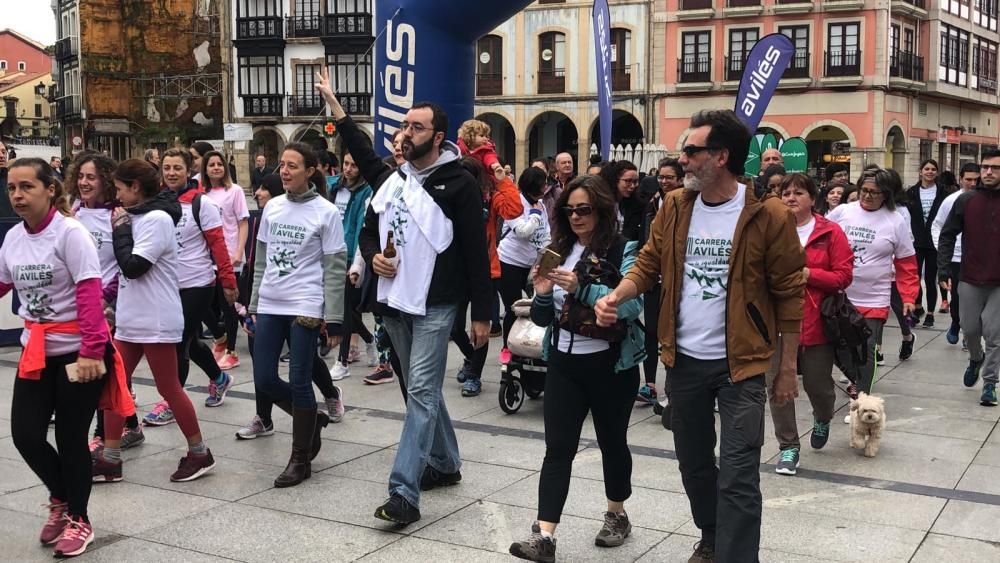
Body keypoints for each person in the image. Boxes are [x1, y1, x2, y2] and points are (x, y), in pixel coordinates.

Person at [594, 110, 806, 562]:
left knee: (739, 471)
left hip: (743, 366)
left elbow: (790, 296)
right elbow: (649, 263)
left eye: (691, 151)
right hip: (683, 361)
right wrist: (618, 294)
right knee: (693, 465)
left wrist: (786, 370)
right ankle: (711, 536)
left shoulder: (768, 216)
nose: (682, 160)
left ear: (721, 157)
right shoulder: (675, 206)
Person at [349, 96, 492, 523]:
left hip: (436, 302)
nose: (405, 133)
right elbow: (369, 232)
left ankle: (403, 493)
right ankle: (445, 465)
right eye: (404, 126)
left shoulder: (459, 182)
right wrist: (373, 257)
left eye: (416, 127)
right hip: (393, 301)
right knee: (419, 389)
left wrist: (483, 312)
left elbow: (474, 251)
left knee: (423, 391)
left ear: (438, 137)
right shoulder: (394, 180)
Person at [508, 175, 645, 562]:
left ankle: (617, 514)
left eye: (583, 209)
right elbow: (541, 316)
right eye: (568, 210)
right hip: (564, 363)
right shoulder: (557, 251)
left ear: (601, 210)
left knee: (612, 442)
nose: (575, 217)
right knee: (558, 449)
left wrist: (581, 287)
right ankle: (544, 536)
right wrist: (542, 291)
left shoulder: (624, 249)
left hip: (609, 364)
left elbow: (632, 306)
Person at [2, 158, 131, 558]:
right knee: (24, 434)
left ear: (50, 189)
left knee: (70, 439)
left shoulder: (70, 234)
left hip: (78, 352)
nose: (18, 196)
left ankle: (79, 519)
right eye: (12, 188)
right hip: (35, 351)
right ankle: (60, 497)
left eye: (26, 187)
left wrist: (93, 350)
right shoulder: (13, 239)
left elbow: (89, 294)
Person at [92, 158, 214, 486]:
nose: (117, 196)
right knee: (115, 385)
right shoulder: (136, 216)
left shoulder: (158, 219)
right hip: (133, 316)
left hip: (157, 316)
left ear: (135, 187)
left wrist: (119, 231)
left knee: (168, 387)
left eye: (120, 189)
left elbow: (133, 265)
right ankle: (110, 458)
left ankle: (199, 452)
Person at [248, 142, 346, 486]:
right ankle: (312, 418)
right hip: (271, 302)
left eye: (292, 166)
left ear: (311, 170)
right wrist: (254, 304)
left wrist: (334, 318)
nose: (284, 172)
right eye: (282, 165)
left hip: (305, 303)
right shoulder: (272, 208)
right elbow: (260, 261)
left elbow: (335, 268)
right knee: (264, 379)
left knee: (302, 379)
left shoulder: (326, 212)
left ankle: (300, 458)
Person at [142, 148, 237, 427]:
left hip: (197, 284)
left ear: (188, 171)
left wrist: (228, 282)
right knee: (190, 343)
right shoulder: (155, 202)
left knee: (176, 344)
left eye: (177, 168)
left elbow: (219, 245)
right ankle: (220, 378)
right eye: (167, 168)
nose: (171, 173)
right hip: (165, 285)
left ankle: (171, 401)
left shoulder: (201, 204)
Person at [769, 173, 854, 475]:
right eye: (785, 193)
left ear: (813, 198)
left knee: (818, 385)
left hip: (817, 322)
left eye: (798, 193)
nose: (791, 198)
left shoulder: (831, 232)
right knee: (777, 385)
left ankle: (823, 416)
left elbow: (843, 277)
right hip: (776, 323)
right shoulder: (772, 230)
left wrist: (810, 274)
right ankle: (789, 447)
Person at [66, 154, 146, 453]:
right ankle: (131, 424)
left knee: (103, 371)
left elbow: (126, 261)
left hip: (109, 306)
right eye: (81, 177)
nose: (84, 183)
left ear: (105, 181)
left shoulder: (118, 215)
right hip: (77, 306)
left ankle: (103, 432)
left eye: (92, 177)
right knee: (102, 371)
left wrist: (105, 296)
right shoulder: (72, 212)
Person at [828, 168, 919, 401]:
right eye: (864, 191)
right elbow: (820, 239)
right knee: (840, 348)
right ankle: (854, 379)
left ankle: (862, 397)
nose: (867, 196)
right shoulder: (843, 212)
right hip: (840, 294)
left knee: (866, 351)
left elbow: (906, 263)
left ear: (886, 195)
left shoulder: (896, 221)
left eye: (874, 193)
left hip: (874, 297)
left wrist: (909, 297)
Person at [451, 156, 523, 396]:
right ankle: (472, 359)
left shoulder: (490, 198)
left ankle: (474, 375)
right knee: (454, 328)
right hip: (456, 272)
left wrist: (503, 181)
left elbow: (514, 209)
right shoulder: (450, 199)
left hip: (487, 270)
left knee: (480, 325)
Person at [938, 149, 1000, 406]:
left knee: (994, 334)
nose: (987, 172)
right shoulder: (965, 201)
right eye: (985, 167)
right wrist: (943, 268)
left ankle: (989, 383)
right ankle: (975, 358)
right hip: (970, 277)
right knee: (971, 329)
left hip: (999, 283)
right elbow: (947, 235)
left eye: (994, 168)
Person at [636, 158, 684, 407]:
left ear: (680, 179)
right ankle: (651, 384)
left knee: (673, 333)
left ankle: (674, 388)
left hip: (678, 279)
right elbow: (648, 240)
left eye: (670, 177)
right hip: (655, 279)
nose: (665, 182)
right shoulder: (653, 204)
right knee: (651, 331)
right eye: (662, 177)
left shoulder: (688, 204)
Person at [327, 151, 376, 380]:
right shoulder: (335, 187)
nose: (348, 169)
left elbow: (360, 228)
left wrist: (358, 264)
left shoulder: (366, 192)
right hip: (331, 254)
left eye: (354, 165)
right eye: (346, 163)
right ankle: (368, 339)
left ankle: (342, 360)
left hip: (349, 257)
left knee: (347, 311)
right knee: (348, 311)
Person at [203, 150, 250, 370]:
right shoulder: (202, 194)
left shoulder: (235, 191)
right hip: (205, 258)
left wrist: (239, 251)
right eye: (211, 164)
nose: (215, 168)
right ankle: (219, 337)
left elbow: (243, 223)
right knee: (204, 305)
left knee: (229, 305)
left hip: (230, 255)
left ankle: (231, 350)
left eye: (219, 164)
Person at [498, 167, 551, 352]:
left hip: (532, 264)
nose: (546, 187)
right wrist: (535, 217)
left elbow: (546, 234)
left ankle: (532, 344)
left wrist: (548, 255)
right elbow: (522, 231)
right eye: (543, 184)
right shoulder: (515, 202)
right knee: (513, 308)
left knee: (537, 306)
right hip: (509, 262)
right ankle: (507, 349)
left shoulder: (540, 204)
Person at [932, 163, 980, 346]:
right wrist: (942, 251)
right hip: (955, 258)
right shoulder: (951, 201)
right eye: (968, 179)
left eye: (976, 180)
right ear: (961, 179)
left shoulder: (985, 200)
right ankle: (955, 323)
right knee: (958, 297)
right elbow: (938, 226)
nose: (973, 183)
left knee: (975, 300)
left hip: (977, 258)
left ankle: (970, 335)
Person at [905, 158, 954, 328]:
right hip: (916, 242)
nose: (930, 172)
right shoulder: (911, 192)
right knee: (915, 277)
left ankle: (930, 313)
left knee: (931, 278)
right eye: (926, 168)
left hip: (934, 243)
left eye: (933, 169)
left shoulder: (943, 193)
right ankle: (917, 307)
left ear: (937, 172)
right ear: (920, 171)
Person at [599, 161, 642, 239]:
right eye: (628, 181)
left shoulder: (636, 204)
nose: (632, 186)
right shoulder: (602, 204)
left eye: (635, 182)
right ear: (615, 180)